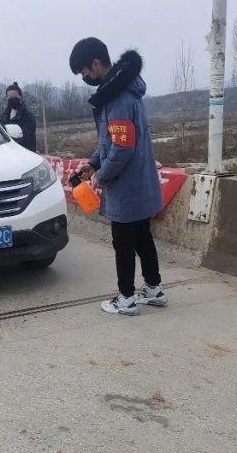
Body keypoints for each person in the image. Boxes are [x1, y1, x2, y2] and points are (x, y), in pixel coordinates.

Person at [69, 37, 167, 316]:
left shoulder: (119, 99)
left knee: (123, 243)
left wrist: (102, 177)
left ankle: (126, 298)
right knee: (142, 238)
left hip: (128, 187)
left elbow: (122, 148)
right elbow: (108, 142)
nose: (85, 77)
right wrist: (92, 164)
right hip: (138, 183)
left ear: (95, 63)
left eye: (85, 72)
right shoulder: (118, 93)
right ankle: (154, 288)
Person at [0, 82, 36, 152]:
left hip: (25, 153)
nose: (13, 100)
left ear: (20, 97)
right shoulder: (4, 116)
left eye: (15, 98)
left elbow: (27, 136)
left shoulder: (28, 116)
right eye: (10, 98)